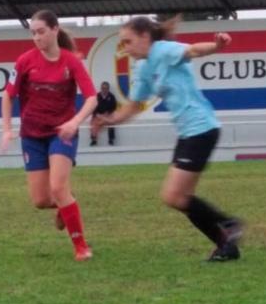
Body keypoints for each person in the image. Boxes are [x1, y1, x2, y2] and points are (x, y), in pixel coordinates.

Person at [99, 15, 245, 262]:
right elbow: (134, 106)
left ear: (145, 36)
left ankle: (228, 225)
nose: (125, 48)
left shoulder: (164, 50)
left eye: (128, 41)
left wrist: (218, 46)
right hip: (188, 133)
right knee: (177, 197)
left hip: (201, 129)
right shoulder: (143, 68)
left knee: (174, 196)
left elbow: (193, 51)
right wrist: (109, 120)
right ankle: (226, 243)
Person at [0, 9, 99, 261]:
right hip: (32, 135)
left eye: (41, 32)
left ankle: (81, 247)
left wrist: (75, 122)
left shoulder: (71, 61)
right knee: (41, 200)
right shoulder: (24, 61)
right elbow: (7, 95)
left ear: (55, 30)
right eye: (33, 33)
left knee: (58, 186)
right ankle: (66, 205)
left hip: (61, 133)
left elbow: (91, 98)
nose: (37, 37)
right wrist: (7, 129)